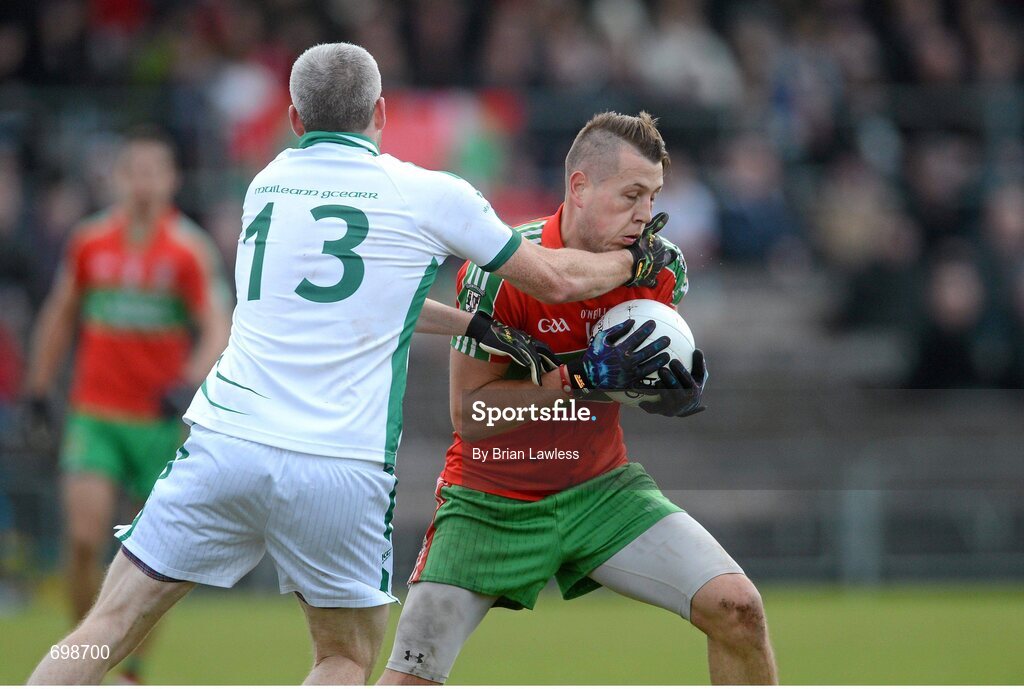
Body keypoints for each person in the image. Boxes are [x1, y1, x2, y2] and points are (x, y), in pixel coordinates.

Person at [28, 44, 676, 685]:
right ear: (381, 113)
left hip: (225, 441)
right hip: (338, 464)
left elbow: (366, 296)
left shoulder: (266, 183)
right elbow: (557, 280)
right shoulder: (429, 193)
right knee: (342, 658)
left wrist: (475, 323)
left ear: (295, 120)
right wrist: (636, 261)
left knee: (102, 630)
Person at [379, 112, 779, 685]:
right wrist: (576, 378)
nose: (645, 215)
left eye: (654, 196)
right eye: (632, 195)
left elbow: (643, 361)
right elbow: (471, 417)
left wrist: (672, 385)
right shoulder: (500, 269)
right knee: (411, 675)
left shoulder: (658, 269)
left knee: (739, 610)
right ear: (580, 187)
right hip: (492, 501)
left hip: (600, 490)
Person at [23, 127, 231, 683]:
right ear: (117, 178)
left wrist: (189, 380)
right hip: (96, 414)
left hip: (158, 421)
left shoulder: (187, 248)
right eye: (133, 171)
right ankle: (82, 655)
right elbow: (61, 313)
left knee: (151, 560)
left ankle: (131, 669)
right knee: (85, 538)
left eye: (153, 171)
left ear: (171, 180)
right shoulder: (90, 242)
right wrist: (38, 389)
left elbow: (217, 321)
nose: (142, 183)